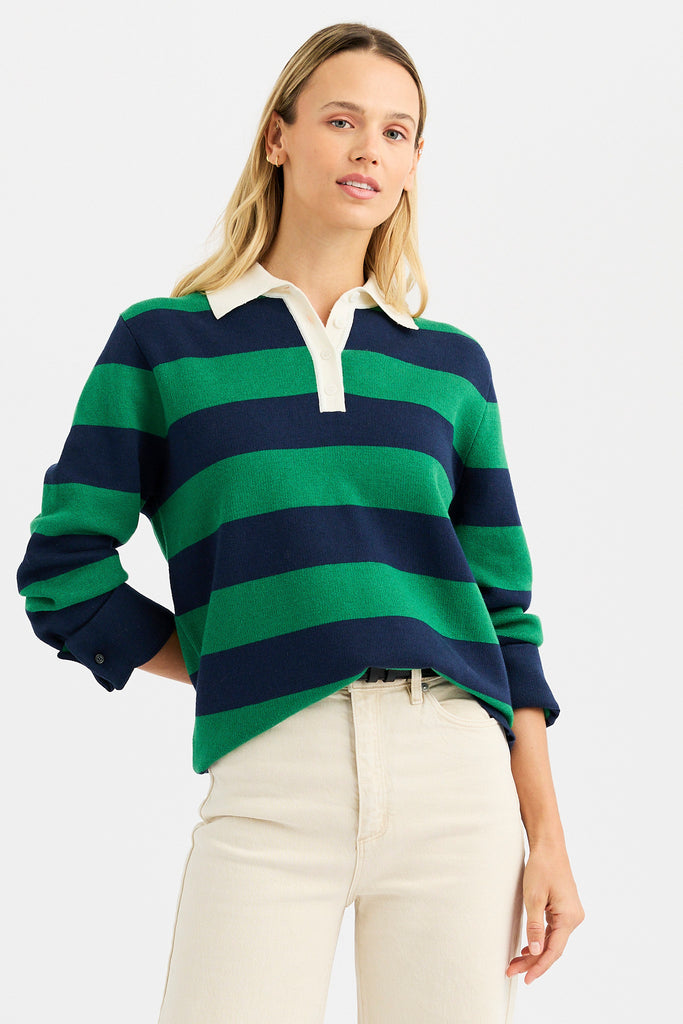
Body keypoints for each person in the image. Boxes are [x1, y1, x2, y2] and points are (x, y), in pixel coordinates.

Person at [17, 21, 584, 1024]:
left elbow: (504, 616)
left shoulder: (448, 367)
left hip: (456, 780)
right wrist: (239, 652)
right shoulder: (164, 345)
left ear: (413, 163)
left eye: (396, 132)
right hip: (271, 766)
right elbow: (64, 572)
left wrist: (546, 836)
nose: (369, 149)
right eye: (340, 120)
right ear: (278, 136)